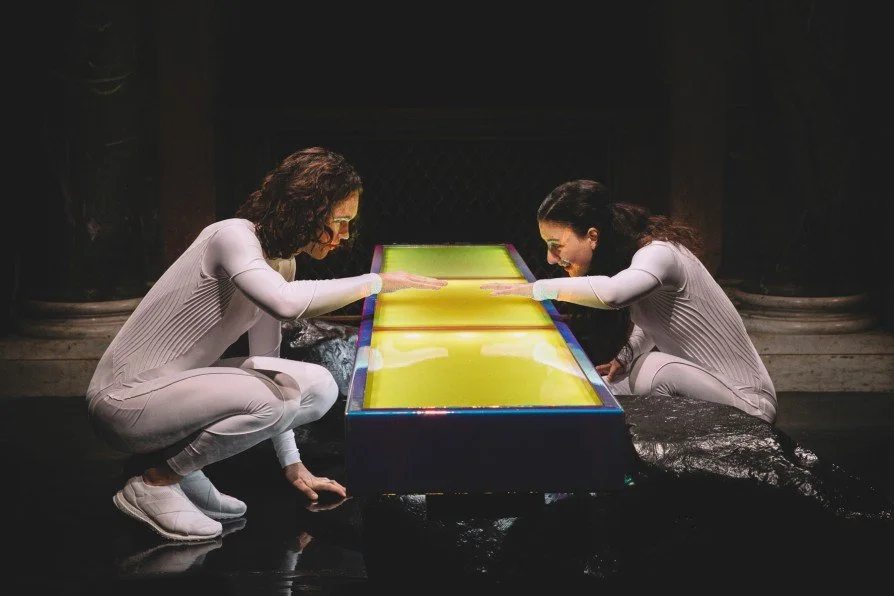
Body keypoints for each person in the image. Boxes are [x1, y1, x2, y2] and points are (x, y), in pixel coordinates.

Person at [86, 147, 447, 542]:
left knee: (317, 386)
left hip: (171, 394)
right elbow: (285, 302)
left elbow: (269, 362)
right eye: (339, 221)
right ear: (308, 210)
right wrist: (377, 282)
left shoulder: (281, 263)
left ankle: (177, 469)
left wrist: (294, 466)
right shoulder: (231, 236)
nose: (344, 236)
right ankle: (155, 482)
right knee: (274, 397)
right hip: (123, 401)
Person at [482, 179, 777, 424]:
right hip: (709, 387)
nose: (550, 257)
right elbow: (653, 323)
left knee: (654, 368)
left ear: (593, 236)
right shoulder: (634, 258)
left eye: (555, 245)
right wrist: (626, 355)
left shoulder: (659, 254)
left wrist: (535, 289)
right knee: (599, 390)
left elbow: (613, 294)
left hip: (749, 402)